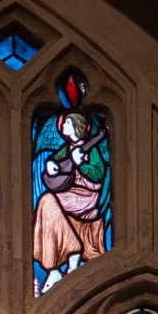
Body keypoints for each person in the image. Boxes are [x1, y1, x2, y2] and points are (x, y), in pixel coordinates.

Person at [33, 110, 110, 292]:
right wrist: (51, 166)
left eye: (67, 124)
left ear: (76, 127)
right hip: (69, 193)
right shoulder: (68, 147)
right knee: (46, 201)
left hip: (86, 195)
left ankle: (66, 259)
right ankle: (55, 268)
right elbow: (56, 161)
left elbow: (98, 173)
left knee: (48, 201)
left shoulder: (91, 148)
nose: (63, 127)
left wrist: (81, 163)